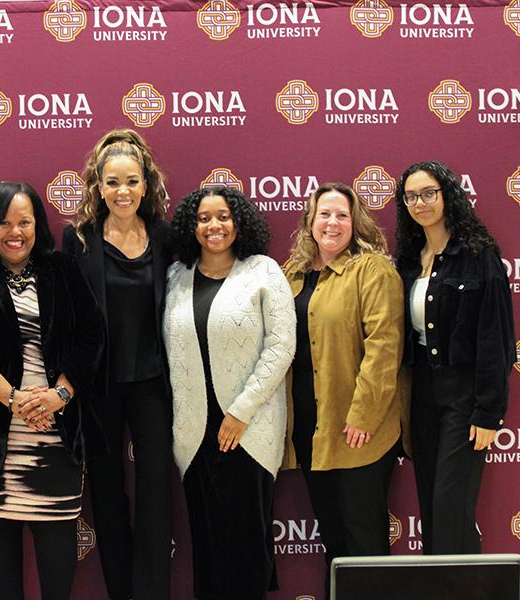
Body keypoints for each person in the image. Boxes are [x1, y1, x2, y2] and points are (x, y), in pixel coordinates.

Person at [0, 182, 104, 600]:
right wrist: (12, 399)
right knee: (0, 556)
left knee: (57, 554)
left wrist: (58, 396)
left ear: (38, 225)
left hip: (55, 433)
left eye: (24, 222)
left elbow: (93, 338)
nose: (15, 232)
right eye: (4, 222)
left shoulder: (64, 270)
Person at [163, 187, 295, 600]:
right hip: (194, 434)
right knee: (209, 550)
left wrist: (241, 411)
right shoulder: (176, 277)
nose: (213, 226)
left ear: (239, 221)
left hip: (247, 431)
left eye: (222, 216)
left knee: (247, 549)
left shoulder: (263, 271)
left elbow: (281, 346)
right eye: (203, 218)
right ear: (191, 226)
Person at [62, 129, 173, 600]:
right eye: (112, 183)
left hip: (154, 383)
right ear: (98, 186)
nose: (122, 191)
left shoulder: (167, 237)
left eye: (131, 181)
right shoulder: (78, 239)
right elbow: (66, 315)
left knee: (156, 497)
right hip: (99, 386)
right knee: (106, 496)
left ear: (146, 184)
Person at [282, 183, 404, 597]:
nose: (332, 223)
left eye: (341, 215)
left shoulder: (372, 271)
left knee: (364, 544)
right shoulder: (292, 275)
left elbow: (384, 347)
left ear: (355, 223)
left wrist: (363, 416)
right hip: (311, 432)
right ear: (309, 221)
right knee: (334, 544)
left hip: (357, 431)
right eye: (324, 214)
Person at [395, 160, 514, 554]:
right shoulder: (410, 262)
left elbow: (496, 338)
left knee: (451, 507)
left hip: (464, 398)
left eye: (429, 193)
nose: (420, 202)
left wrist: (488, 412)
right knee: (431, 506)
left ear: (448, 195)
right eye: (411, 196)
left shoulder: (478, 255)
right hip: (423, 395)